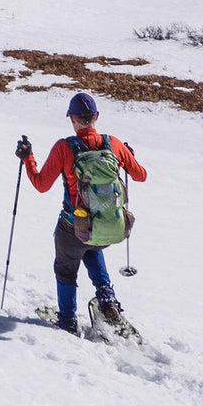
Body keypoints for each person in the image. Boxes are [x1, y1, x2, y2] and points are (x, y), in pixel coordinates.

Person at [15, 92, 146, 333]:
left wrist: (28, 158)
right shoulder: (113, 144)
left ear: (72, 119)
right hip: (109, 225)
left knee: (66, 268)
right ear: (96, 116)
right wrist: (127, 158)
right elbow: (141, 175)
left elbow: (41, 184)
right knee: (91, 246)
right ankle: (107, 299)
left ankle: (67, 320)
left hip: (73, 225)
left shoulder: (64, 147)